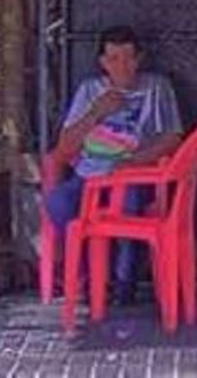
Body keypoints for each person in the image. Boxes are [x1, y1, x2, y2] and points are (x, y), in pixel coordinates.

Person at [47, 25, 183, 306]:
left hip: (134, 174)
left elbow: (172, 139)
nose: (121, 66)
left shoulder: (157, 87)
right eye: (113, 59)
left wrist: (134, 162)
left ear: (140, 59)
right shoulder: (90, 90)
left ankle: (123, 284)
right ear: (103, 63)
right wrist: (96, 113)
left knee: (129, 205)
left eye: (128, 58)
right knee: (59, 203)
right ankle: (87, 279)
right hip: (89, 178)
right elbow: (65, 147)